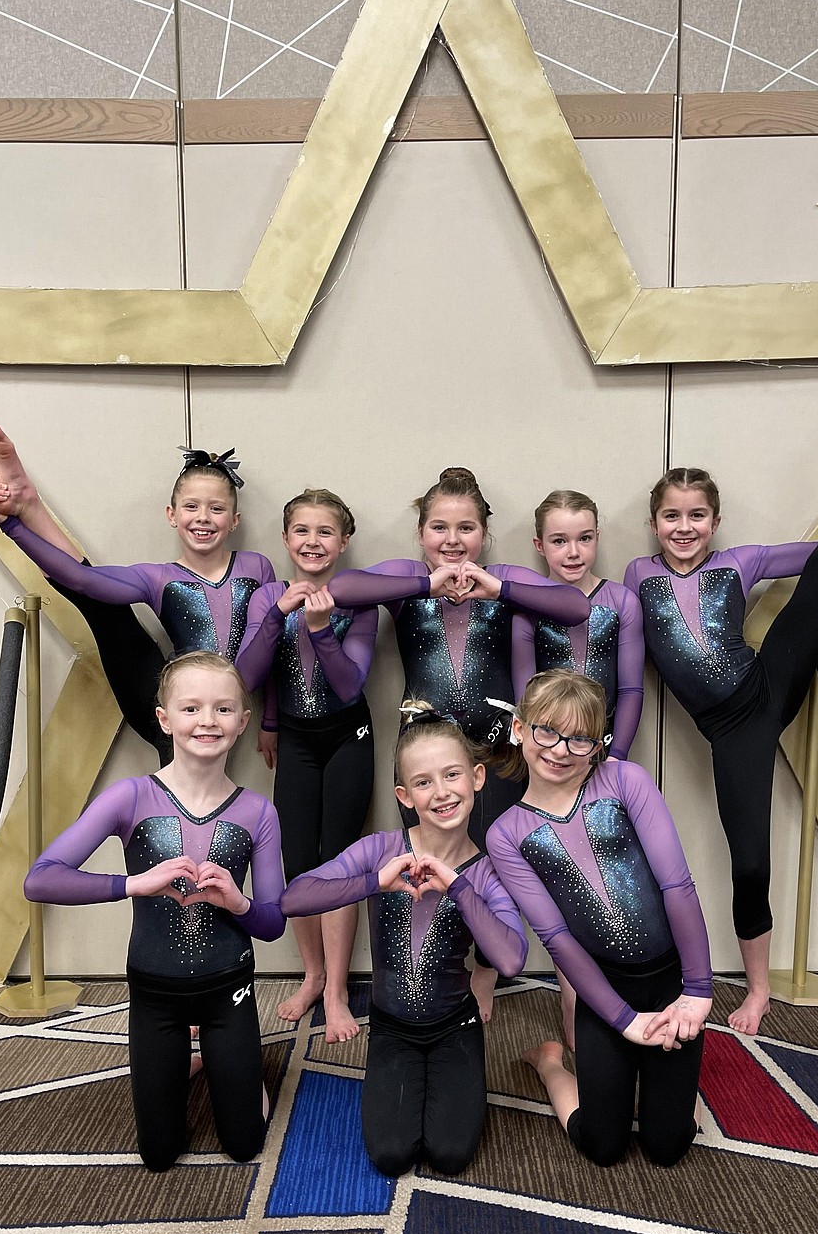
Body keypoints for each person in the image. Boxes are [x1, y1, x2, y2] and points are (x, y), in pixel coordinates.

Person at [622, 356, 818, 1035]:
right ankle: (758, 985)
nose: (685, 527)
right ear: (655, 522)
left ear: (715, 520)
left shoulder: (742, 563)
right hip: (732, 729)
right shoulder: (637, 575)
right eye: (673, 515)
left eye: (698, 515)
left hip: (768, 681)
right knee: (751, 861)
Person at [328, 466, 589, 1020]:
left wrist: (501, 588)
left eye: (466, 528)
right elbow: (343, 590)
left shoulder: (502, 578)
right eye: (439, 528)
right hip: (423, 746)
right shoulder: (407, 579)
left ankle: (484, 974)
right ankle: (426, 966)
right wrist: (426, 584)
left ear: (485, 533)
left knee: (490, 856)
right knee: (425, 858)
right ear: (421, 533)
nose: (452, 541)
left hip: (495, 746)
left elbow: (577, 608)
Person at [24, 651, 285, 1169]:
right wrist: (133, 883)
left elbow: (273, 924)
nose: (207, 721)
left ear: (242, 722)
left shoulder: (259, 811)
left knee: (243, 1145)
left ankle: (236, 1065)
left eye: (223, 709)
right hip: (153, 992)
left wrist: (237, 900)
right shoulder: (131, 796)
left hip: (227, 988)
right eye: (191, 709)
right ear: (164, 718)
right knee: (159, 1154)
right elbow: (41, 878)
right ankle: (195, 1059)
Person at [281, 704, 527, 1177]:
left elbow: (511, 959)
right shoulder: (382, 849)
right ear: (405, 794)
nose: (441, 793)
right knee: (391, 1155)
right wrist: (372, 882)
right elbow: (295, 898)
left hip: (455, 1023)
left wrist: (457, 886)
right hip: (391, 1026)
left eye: (452, 775)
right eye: (423, 782)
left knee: (451, 1154)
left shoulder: (486, 872)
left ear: (477, 777)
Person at [487, 671, 713, 1168]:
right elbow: (557, 937)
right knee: (602, 1145)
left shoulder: (624, 780)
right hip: (602, 991)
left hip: (668, 981)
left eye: (580, 738)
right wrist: (623, 1020)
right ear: (519, 729)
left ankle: (670, 1089)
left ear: (598, 743)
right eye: (547, 731)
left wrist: (696, 991)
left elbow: (677, 886)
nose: (561, 750)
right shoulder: (506, 834)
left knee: (667, 1146)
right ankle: (549, 1064)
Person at [0, 427, 274, 762]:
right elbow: (83, 581)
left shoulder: (257, 567)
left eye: (216, 509)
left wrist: (271, 721)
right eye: (191, 506)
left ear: (234, 520)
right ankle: (28, 505)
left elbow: (272, 639)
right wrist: (11, 527)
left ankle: (28, 504)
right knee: (104, 606)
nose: (203, 518)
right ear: (172, 515)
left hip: (229, 698)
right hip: (168, 702)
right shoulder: (159, 577)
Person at [236, 489, 377, 1043]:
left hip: (349, 736)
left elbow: (348, 684)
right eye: (302, 531)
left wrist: (319, 627)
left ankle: (339, 989)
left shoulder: (357, 598)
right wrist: (278, 614)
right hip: (295, 739)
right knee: (298, 861)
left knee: (338, 862)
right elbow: (248, 673)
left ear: (343, 542)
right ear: (286, 538)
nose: (313, 542)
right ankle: (312, 975)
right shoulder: (268, 595)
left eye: (325, 532)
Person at [512, 488, 646, 1049]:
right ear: (540, 545)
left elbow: (632, 687)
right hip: (549, 765)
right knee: (565, 891)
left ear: (598, 538)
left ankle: (622, 1001)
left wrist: (612, 757)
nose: (573, 551)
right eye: (560, 540)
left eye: (585, 538)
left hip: (601, 759)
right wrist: (545, 761)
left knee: (610, 883)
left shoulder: (621, 601)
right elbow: (524, 692)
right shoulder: (529, 603)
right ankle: (573, 1018)